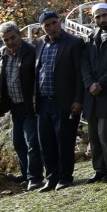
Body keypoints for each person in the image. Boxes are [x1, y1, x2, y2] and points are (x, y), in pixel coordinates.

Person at [32, 10, 84, 191]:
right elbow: (37, 72)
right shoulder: (39, 44)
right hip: (43, 101)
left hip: (64, 101)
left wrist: (78, 99)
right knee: (46, 142)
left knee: (64, 141)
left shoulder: (74, 43)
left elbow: (79, 74)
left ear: (60, 22)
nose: (51, 28)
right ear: (42, 27)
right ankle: (51, 178)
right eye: (47, 25)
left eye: (54, 23)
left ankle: (65, 177)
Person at [0, 20, 43, 190]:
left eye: (12, 37)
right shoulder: (1, 54)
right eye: (5, 39)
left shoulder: (32, 52)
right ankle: (25, 173)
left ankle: (35, 177)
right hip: (14, 106)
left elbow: (38, 78)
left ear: (19, 35)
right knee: (18, 142)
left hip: (30, 104)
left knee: (32, 142)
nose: (10, 42)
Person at [79, 3, 107, 183]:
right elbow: (84, 64)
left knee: (106, 134)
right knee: (94, 135)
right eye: (97, 17)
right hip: (92, 94)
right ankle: (100, 169)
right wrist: (90, 83)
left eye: (104, 16)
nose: (101, 20)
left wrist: (100, 83)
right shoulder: (90, 37)